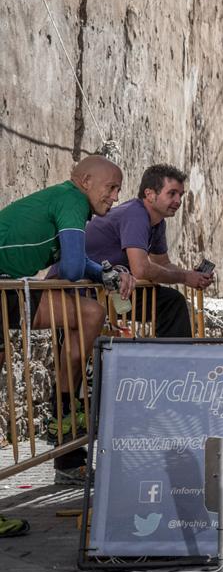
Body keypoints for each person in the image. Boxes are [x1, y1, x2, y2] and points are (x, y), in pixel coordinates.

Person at [0, 155, 134, 483]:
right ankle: (62, 411)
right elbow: (72, 269)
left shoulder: (66, 199)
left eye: (118, 190)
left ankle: (62, 409)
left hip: (9, 285)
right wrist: (102, 272)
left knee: (90, 313)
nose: (115, 197)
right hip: (6, 285)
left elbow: (80, 263)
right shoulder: (72, 200)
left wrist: (106, 272)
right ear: (85, 182)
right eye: (111, 187)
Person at [83, 164, 214, 337]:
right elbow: (141, 269)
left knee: (172, 303)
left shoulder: (158, 222)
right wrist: (185, 277)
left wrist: (192, 275)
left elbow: (163, 263)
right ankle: (173, 361)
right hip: (85, 290)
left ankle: (166, 359)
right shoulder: (135, 214)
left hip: (110, 289)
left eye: (180, 195)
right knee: (171, 303)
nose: (178, 201)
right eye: (172, 193)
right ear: (150, 194)